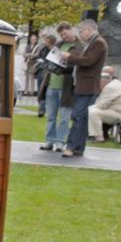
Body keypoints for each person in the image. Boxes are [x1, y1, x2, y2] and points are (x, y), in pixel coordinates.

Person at [59, 18, 108, 158]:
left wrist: (69, 57)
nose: (80, 34)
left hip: (88, 86)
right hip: (83, 85)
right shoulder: (91, 43)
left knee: (77, 116)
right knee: (81, 118)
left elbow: (88, 61)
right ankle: (78, 148)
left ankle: (71, 147)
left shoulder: (98, 43)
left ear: (89, 29)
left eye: (81, 31)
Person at [39, 22, 76, 152]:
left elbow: (77, 66)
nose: (63, 36)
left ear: (71, 30)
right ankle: (49, 141)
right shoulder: (58, 45)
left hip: (66, 87)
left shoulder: (78, 46)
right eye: (61, 34)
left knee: (64, 117)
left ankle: (60, 142)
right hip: (52, 85)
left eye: (65, 33)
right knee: (51, 116)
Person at [88, 66, 121, 142]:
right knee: (93, 109)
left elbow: (101, 105)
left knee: (93, 112)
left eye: (99, 83)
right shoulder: (116, 83)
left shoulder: (109, 87)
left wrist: (92, 107)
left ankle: (98, 137)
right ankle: (97, 135)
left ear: (103, 81)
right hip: (120, 112)